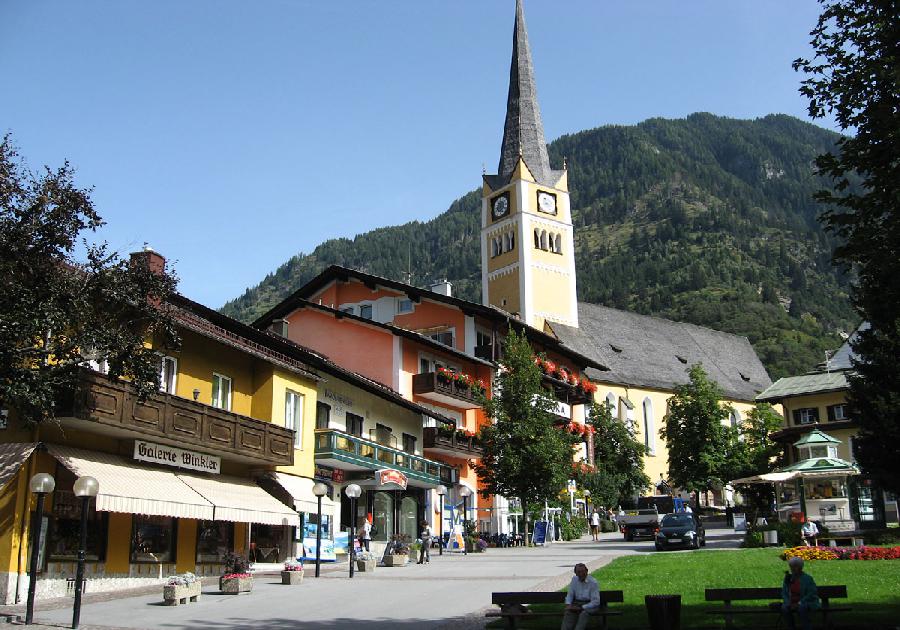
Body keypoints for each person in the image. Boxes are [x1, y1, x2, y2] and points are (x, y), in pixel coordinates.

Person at [781, 556, 820, 630]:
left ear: (800, 567)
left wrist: (799, 603)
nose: (792, 569)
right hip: (791, 602)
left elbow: (811, 594)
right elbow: (784, 593)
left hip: (806, 602)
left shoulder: (807, 579)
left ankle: (807, 627)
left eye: (795, 566)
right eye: (791, 566)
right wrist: (788, 602)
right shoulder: (788, 578)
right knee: (784, 608)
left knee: (802, 608)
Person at [561, 563, 602, 630]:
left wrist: (581, 607)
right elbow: (570, 594)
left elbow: (596, 602)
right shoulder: (574, 580)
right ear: (576, 573)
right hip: (577, 603)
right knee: (568, 612)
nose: (581, 574)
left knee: (584, 613)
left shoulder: (593, 582)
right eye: (579, 572)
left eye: (583, 571)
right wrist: (568, 604)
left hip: (590, 605)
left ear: (587, 571)